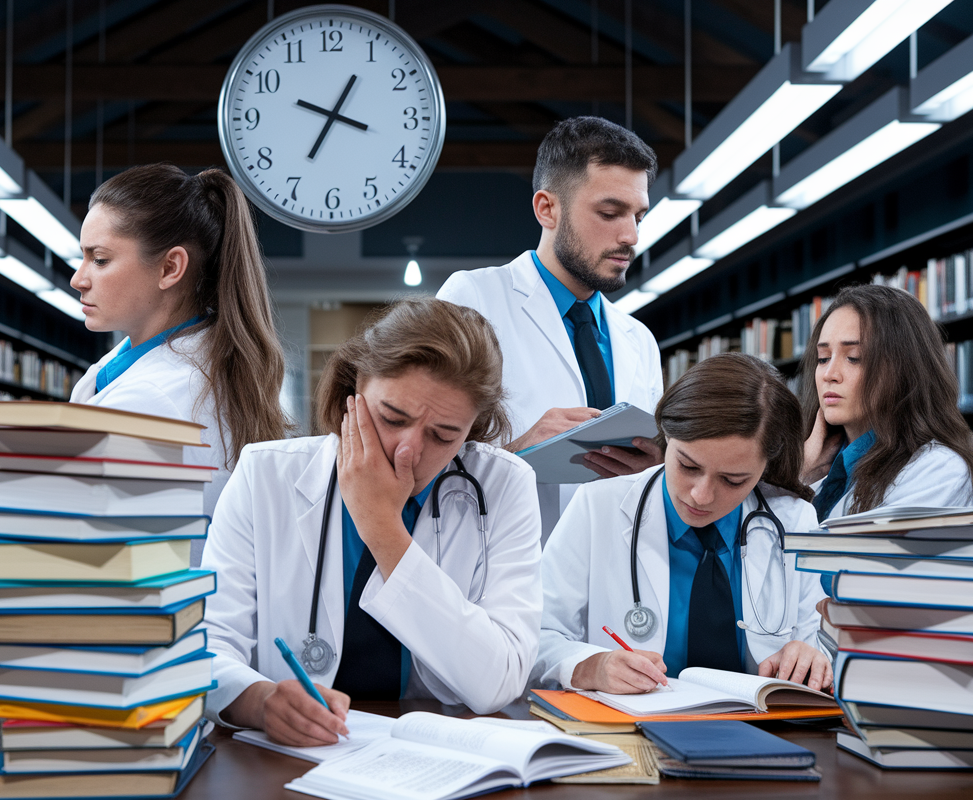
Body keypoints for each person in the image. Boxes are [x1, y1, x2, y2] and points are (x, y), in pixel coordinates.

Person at [201, 299, 542, 745]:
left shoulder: (504, 485)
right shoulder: (264, 475)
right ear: (354, 386)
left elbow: (498, 681)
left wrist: (382, 527)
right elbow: (206, 647)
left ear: (474, 428)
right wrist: (259, 702)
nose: (407, 451)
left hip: (435, 756)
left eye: (443, 435)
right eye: (391, 418)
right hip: (286, 759)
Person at [535, 353, 831, 694]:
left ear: (766, 466)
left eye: (733, 480)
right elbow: (538, 636)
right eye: (688, 466)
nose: (701, 496)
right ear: (665, 436)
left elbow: (823, 645)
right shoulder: (597, 506)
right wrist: (590, 666)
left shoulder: (793, 522)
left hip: (759, 730)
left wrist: (812, 656)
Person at [436, 117, 665, 538]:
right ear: (547, 209)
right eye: (610, 213)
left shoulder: (638, 340)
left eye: (638, 216)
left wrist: (657, 468)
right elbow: (421, 456)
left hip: (615, 570)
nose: (631, 235)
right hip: (507, 568)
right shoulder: (473, 298)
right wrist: (519, 450)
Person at [69, 164, 289, 538]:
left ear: (170, 267)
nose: (79, 278)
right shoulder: (205, 365)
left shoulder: (148, 402)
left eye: (100, 259)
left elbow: (85, 545)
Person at [801, 284, 973, 521]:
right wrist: (801, 478)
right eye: (823, 358)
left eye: (853, 358)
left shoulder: (939, 468)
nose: (829, 374)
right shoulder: (815, 463)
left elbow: (823, 556)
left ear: (904, 368)